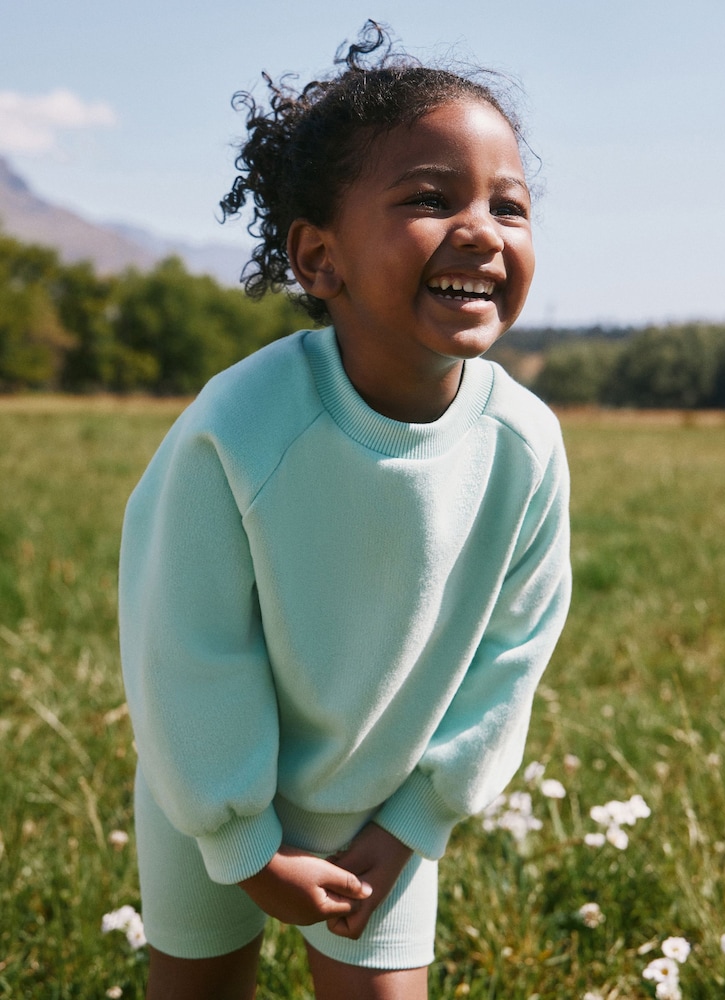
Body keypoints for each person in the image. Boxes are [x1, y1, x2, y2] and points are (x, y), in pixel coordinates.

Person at [119, 21, 572, 1000]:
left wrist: (418, 817)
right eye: (429, 198)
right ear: (319, 258)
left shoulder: (526, 447)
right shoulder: (237, 429)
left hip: (385, 802)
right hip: (211, 789)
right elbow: (184, 641)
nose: (483, 230)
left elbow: (513, 650)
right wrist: (239, 839)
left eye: (512, 205)